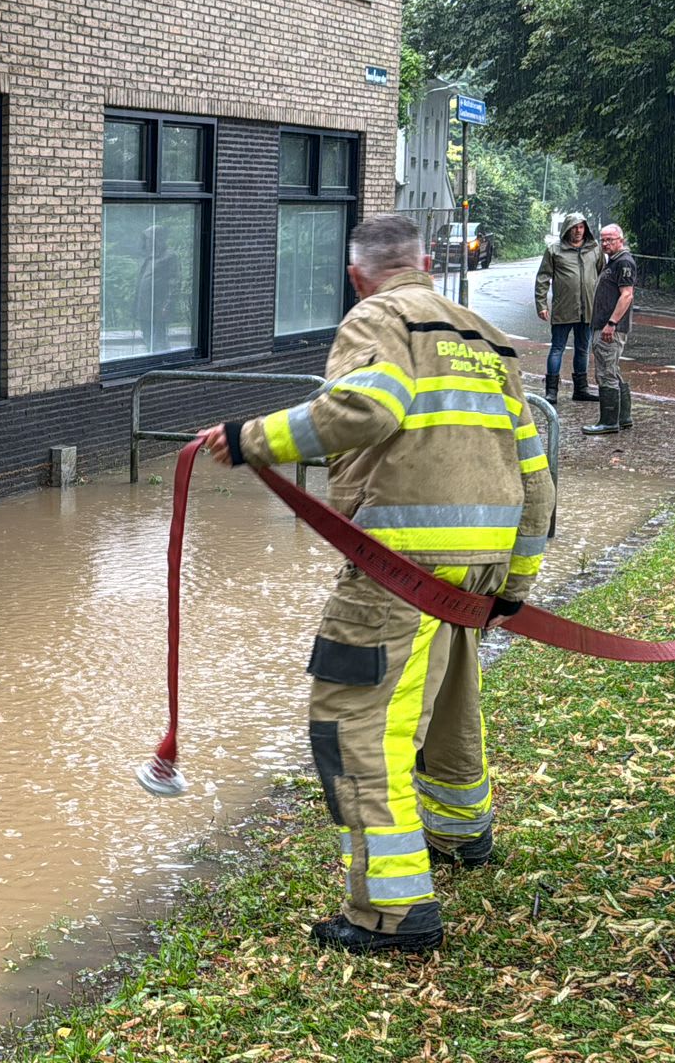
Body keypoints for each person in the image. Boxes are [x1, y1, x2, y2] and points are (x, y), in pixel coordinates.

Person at [195, 214, 555, 955]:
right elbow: (537, 479)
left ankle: (393, 914)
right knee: (450, 698)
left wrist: (246, 439)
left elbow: (369, 406)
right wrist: (513, 584)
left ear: (357, 275)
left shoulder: (379, 317)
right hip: (476, 567)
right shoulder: (483, 338)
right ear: (424, 261)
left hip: (398, 566)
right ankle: (462, 835)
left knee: (356, 727)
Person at [533, 214, 603, 403]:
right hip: (563, 308)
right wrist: (541, 304)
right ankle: (551, 391)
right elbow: (543, 278)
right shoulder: (554, 250)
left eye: (581, 227)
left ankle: (581, 389)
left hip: (588, 309)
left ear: (585, 229)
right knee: (557, 348)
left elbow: (602, 275)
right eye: (574, 227)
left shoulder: (594, 249)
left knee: (583, 349)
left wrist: (603, 305)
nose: (578, 231)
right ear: (567, 229)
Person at [582, 224, 638, 435]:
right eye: (603, 240)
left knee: (605, 373)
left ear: (620, 240)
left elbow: (627, 295)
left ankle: (608, 422)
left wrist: (611, 323)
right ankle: (623, 417)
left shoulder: (623, 262)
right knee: (612, 369)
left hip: (610, 328)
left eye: (610, 240)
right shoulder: (613, 261)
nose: (605, 244)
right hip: (605, 326)